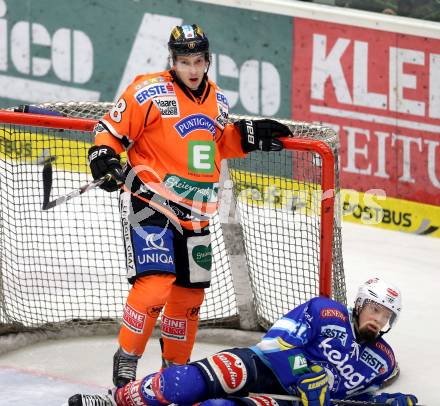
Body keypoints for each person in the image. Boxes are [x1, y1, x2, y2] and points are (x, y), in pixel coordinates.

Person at [87, 23, 291, 388]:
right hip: (149, 202)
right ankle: (127, 359)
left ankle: (174, 373)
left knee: (189, 297)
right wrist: (103, 154)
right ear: (173, 61)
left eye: (198, 60)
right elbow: (111, 130)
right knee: (155, 286)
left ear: (208, 61)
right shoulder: (147, 91)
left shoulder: (218, 100)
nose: (192, 69)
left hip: (197, 211)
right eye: (184, 61)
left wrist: (246, 136)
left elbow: (214, 144)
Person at [68, 277, 419, 406]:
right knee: (183, 382)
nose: (378, 318)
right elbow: (274, 343)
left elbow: (362, 394)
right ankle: (115, 400)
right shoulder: (325, 311)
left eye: (386, 315)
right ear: (359, 304)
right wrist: (304, 370)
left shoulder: (382, 359)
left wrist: (383, 402)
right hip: (261, 368)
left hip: (288, 401)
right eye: (374, 308)